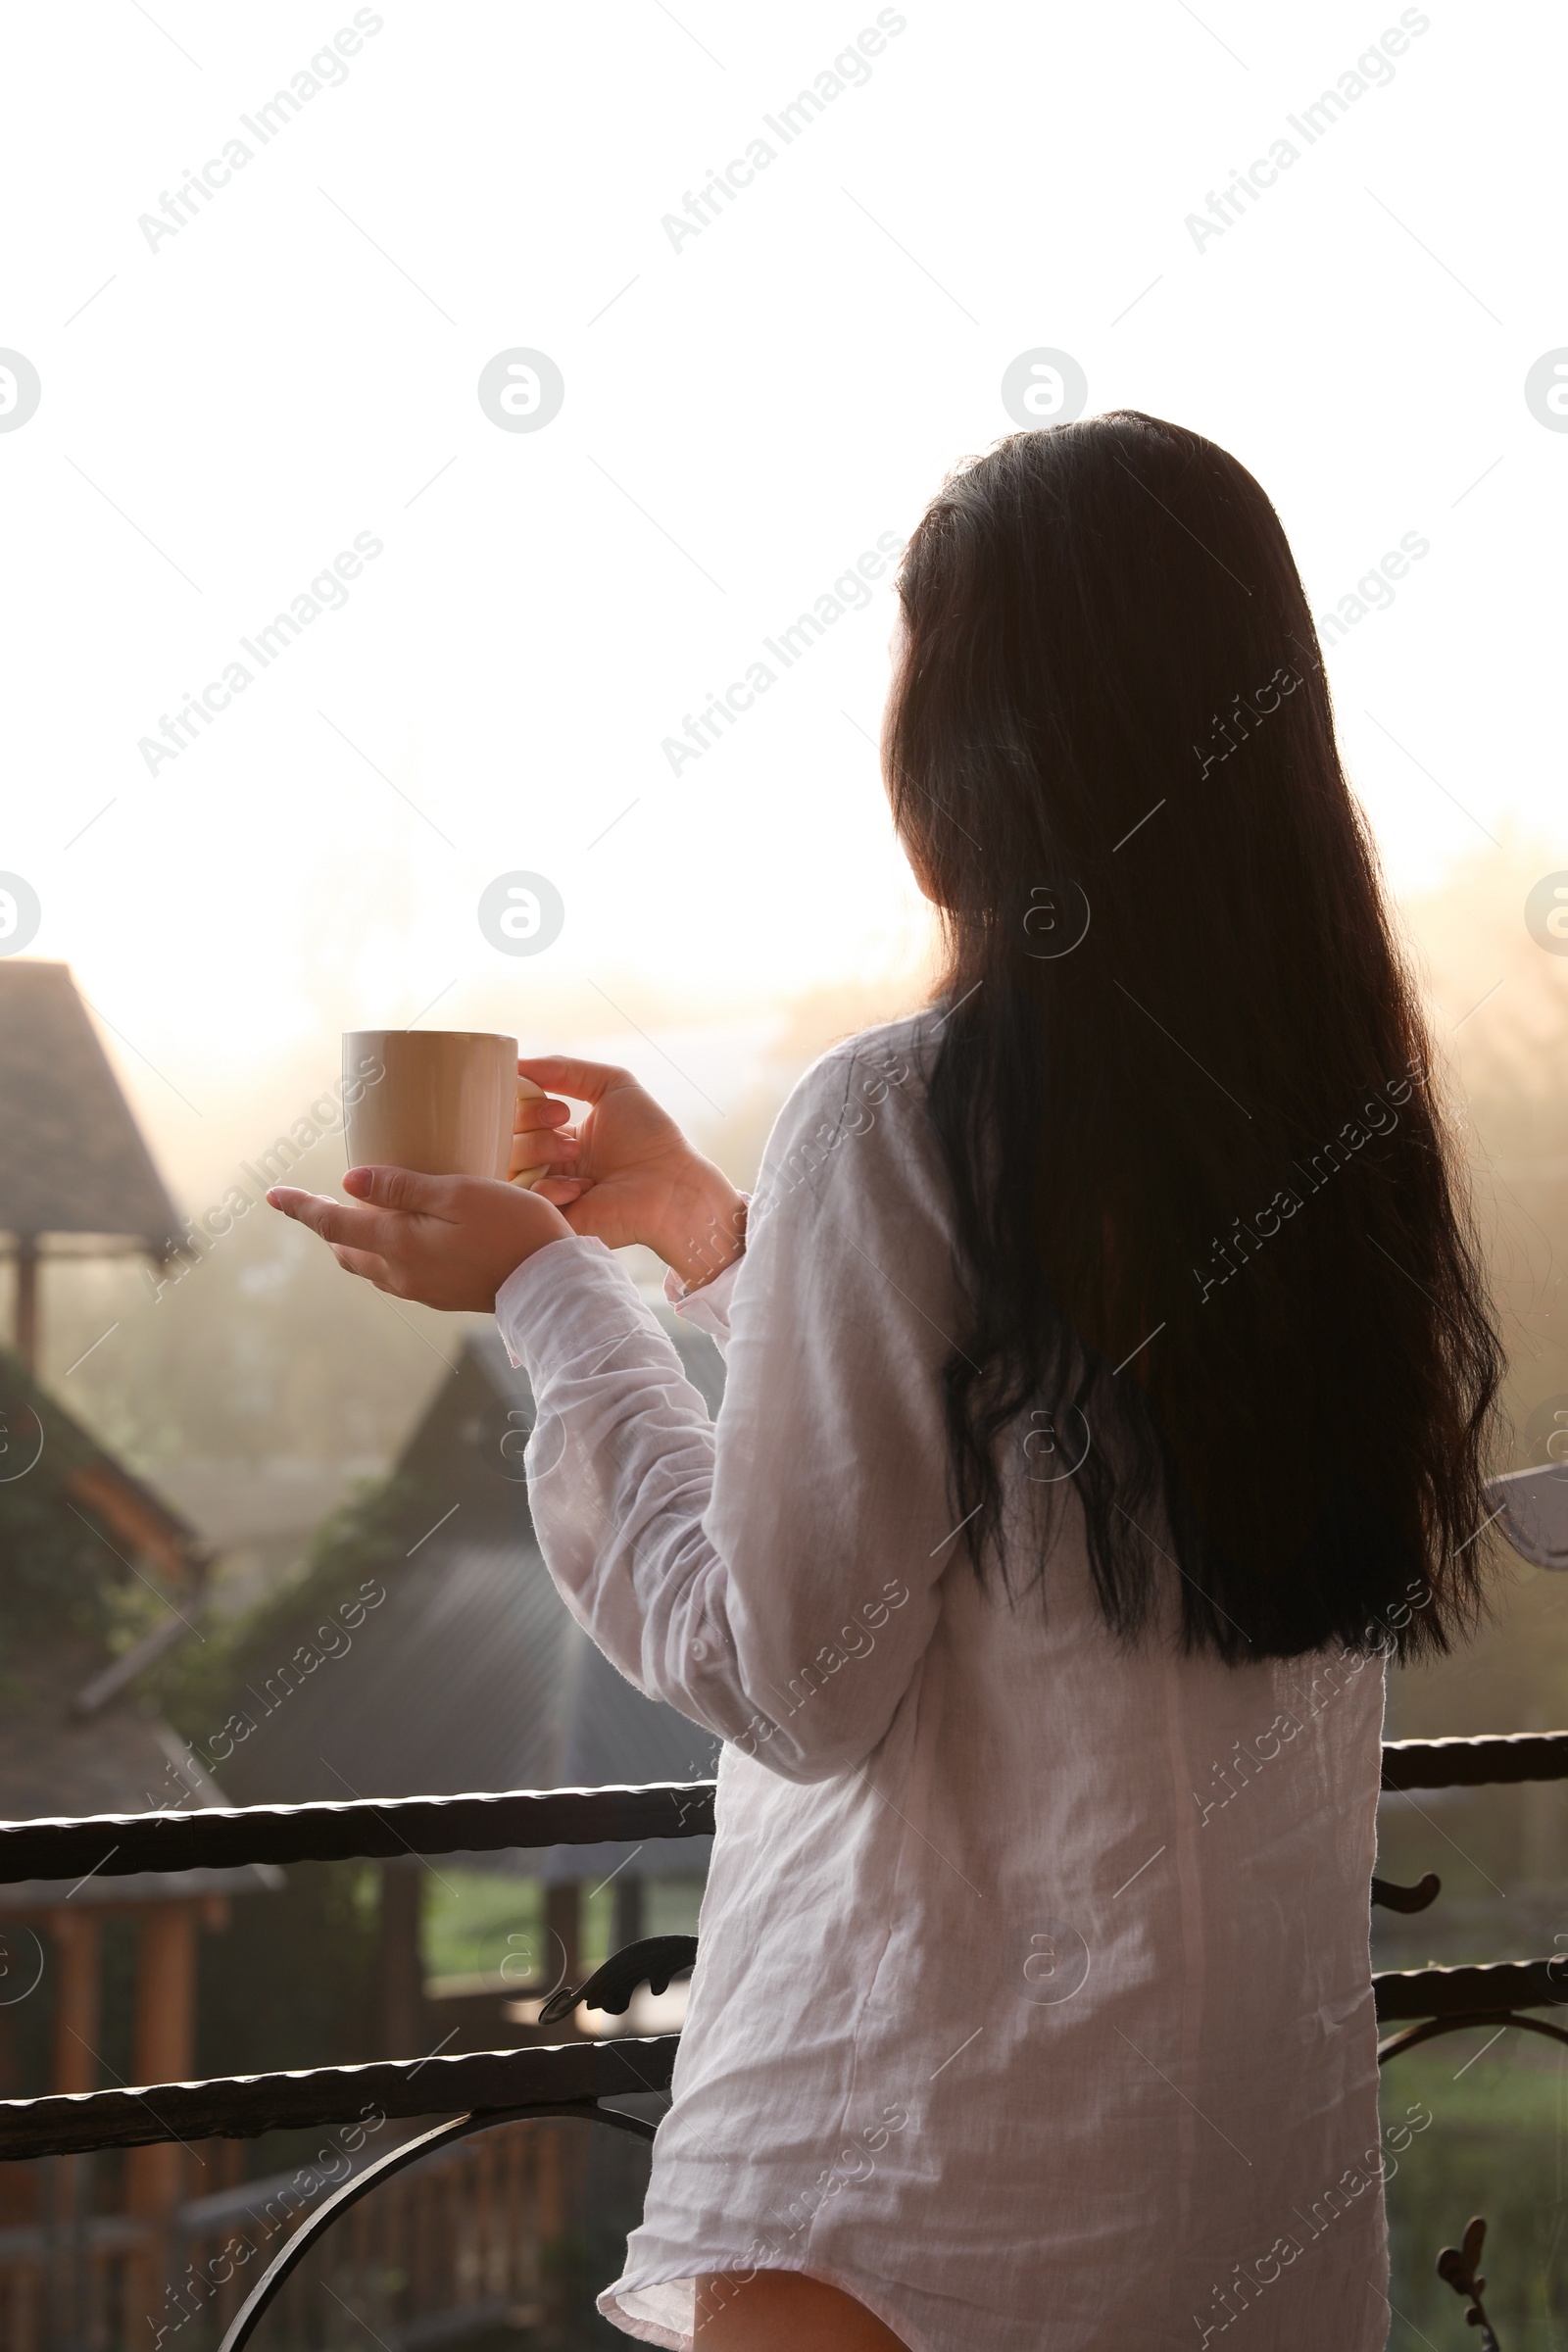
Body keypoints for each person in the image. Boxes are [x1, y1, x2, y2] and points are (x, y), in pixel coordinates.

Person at [270, 414, 1502, 2350]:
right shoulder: (1331, 1148)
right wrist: (704, 1236)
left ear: (983, 739)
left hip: (915, 2184)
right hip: (1232, 2185)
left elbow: (787, 1669)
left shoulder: (897, 1112)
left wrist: (549, 1297)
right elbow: (1001, 1484)